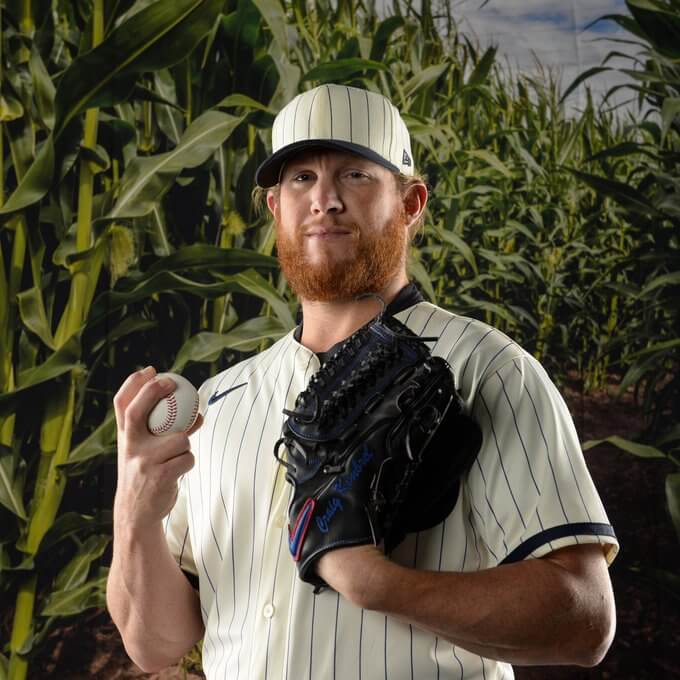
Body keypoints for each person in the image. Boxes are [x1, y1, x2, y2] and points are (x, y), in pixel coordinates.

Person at [107, 83, 619, 680]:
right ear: (275, 207)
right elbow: (155, 646)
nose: (324, 199)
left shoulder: (485, 368)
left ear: (410, 203)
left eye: (354, 174)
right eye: (300, 178)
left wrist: (378, 583)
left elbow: (584, 619)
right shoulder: (221, 402)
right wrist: (135, 511)